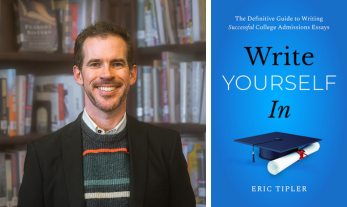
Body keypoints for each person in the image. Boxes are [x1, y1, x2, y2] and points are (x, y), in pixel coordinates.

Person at [18, 22, 196, 207]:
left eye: (117, 63)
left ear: (132, 74)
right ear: (78, 75)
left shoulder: (167, 147)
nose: (107, 74)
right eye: (95, 64)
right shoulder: (42, 154)